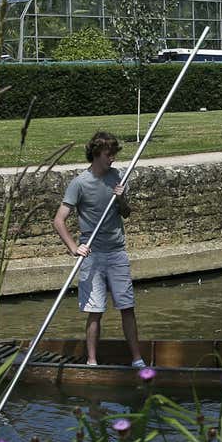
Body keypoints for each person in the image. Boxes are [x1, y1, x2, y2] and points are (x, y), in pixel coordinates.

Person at [55, 130, 141, 367]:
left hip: (117, 253)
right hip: (92, 256)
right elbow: (59, 220)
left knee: (127, 307)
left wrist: (122, 198)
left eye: (114, 153)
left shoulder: (119, 177)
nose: (112, 158)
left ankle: (137, 359)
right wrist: (74, 248)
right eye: (108, 154)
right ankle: (92, 361)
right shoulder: (80, 183)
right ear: (96, 153)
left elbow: (126, 213)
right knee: (95, 311)